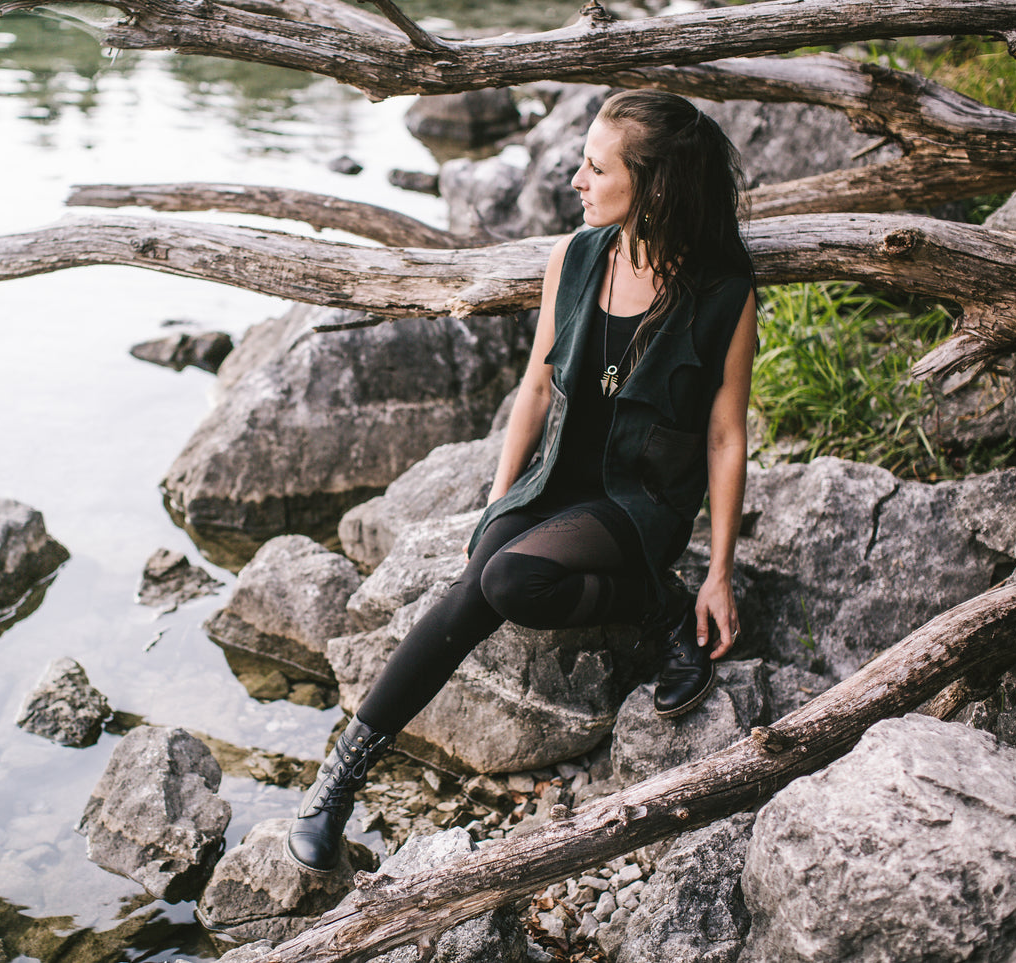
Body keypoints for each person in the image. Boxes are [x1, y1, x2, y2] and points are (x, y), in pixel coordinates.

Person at [286, 89, 760, 874]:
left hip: (634, 503)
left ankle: (665, 600)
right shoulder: (576, 257)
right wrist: (497, 502)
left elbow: (724, 433)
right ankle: (339, 778)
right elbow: (537, 390)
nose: (575, 177)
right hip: (556, 483)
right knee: (488, 572)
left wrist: (716, 574)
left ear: (654, 187)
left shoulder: (722, 293)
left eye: (595, 167)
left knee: (510, 579)